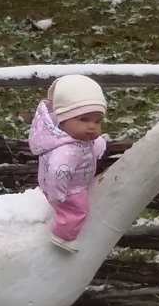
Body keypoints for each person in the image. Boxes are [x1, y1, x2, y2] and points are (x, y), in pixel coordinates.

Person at [28, 74, 107, 252]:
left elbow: (92, 146)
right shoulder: (66, 151)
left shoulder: (80, 140)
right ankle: (63, 236)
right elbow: (57, 173)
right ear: (62, 121)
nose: (92, 126)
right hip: (68, 190)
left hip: (75, 182)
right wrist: (59, 195)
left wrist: (99, 145)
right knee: (77, 211)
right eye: (84, 120)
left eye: (97, 121)